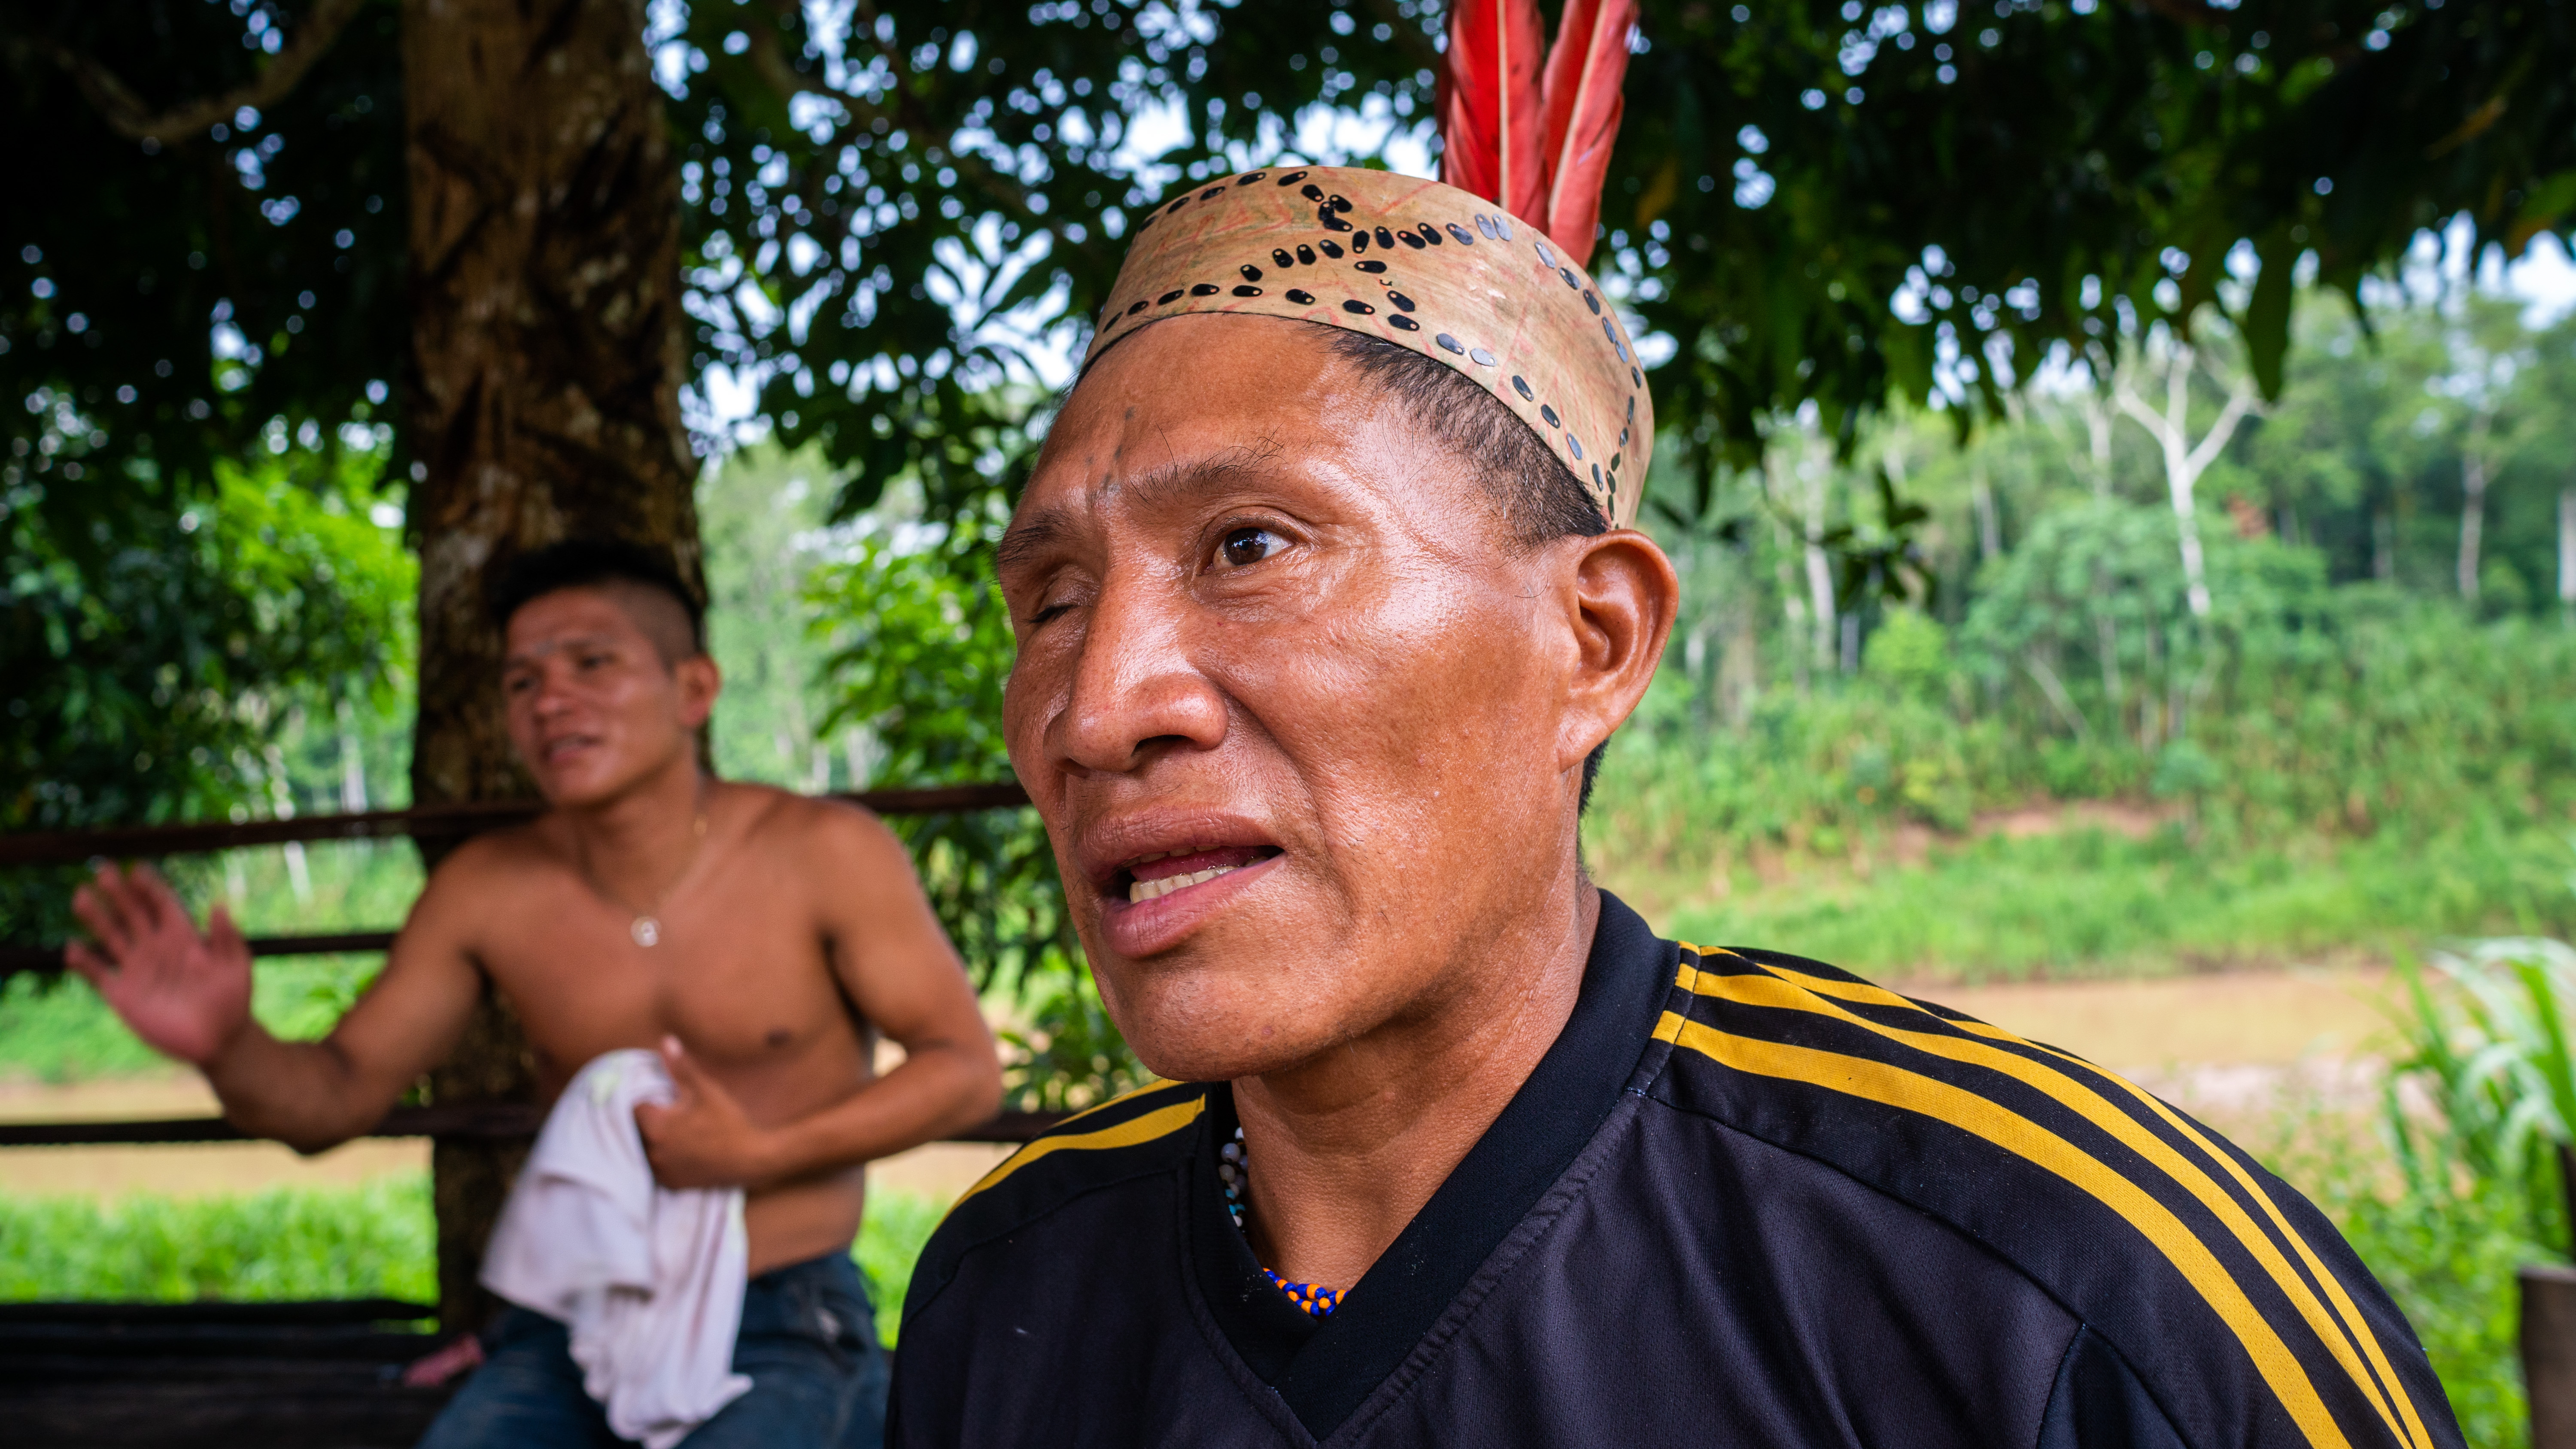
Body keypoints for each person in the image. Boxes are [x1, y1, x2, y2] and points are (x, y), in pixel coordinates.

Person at [881, 126, 2465, 1449]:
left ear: (1595, 639)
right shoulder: (1011, 1292)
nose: (1098, 709)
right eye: (1054, 598)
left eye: (1251, 547)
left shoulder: (2058, 1282)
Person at [68, 538, 1003, 1448]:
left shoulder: (825, 851)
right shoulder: (489, 889)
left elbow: (965, 1071)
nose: (552, 698)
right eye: (523, 680)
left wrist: (760, 1151)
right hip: (567, 1321)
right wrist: (226, 1044)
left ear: (695, 689)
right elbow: (335, 1094)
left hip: (781, 1310)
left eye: (592, 662)